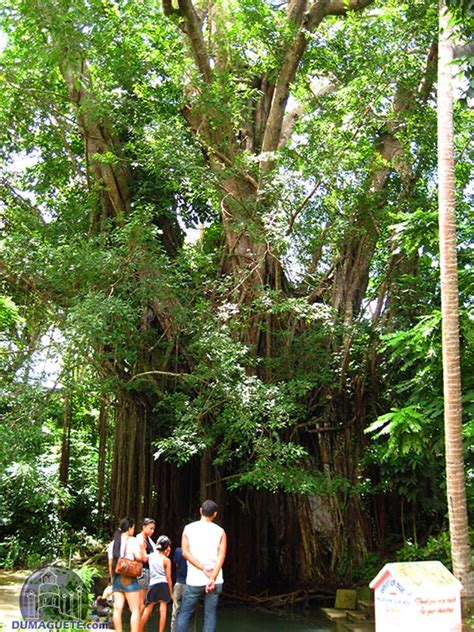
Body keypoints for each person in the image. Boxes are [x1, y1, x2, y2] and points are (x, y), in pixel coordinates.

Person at [175, 500, 227, 632]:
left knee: (185, 613)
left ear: (200, 511)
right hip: (215, 581)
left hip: (194, 580)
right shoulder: (220, 531)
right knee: (210, 615)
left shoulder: (188, 529)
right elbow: (221, 556)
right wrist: (212, 577)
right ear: (215, 514)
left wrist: (202, 568)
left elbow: (185, 553)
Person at [107, 517, 144, 632]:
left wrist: (112, 579)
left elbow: (110, 564)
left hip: (117, 578)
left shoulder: (113, 543)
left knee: (117, 609)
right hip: (130, 579)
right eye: (133, 528)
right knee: (135, 610)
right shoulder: (133, 541)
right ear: (129, 528)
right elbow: (139, 557)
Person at [140, 535, 173, 632]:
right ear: (166, 547)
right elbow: (169, 578)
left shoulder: (151, 557)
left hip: (153, 584)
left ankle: (136, 629)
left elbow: (143, 557)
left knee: (148, 609)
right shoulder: (166, 560)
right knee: (163, 609)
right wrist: (170, 593)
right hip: (163, 584)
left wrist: (142, 547)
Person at [170, 547, 196, 632]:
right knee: (191, 612)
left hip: (179, 583)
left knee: (176, 610)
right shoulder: (195, 551)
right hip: (191, 584)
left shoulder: (178, 550)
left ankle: (173, 630)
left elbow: (177, 565)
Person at [136, 518, 157, 610]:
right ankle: (138, 624)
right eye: (150, 528)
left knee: (145, 601)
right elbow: (144, 558)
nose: (152, 531)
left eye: (153, 529)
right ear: (143, 527)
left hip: (147, 571)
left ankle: (140, 623)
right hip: (142, 572)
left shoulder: (147, 539)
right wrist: (157, 554)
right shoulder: (140, 540)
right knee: (142, 602)